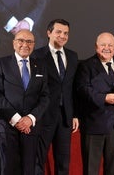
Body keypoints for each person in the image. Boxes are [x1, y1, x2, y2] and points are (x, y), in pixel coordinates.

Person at [0, 29, 50, 175]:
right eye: (21, 41)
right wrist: (17, 120)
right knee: (9, 169)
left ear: (34, 44)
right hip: (6, 126)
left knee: (29, 169)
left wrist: (30, 118)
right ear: (14, 43)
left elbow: (45, 96)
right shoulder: (1, 64)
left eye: (29, 41)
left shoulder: (40, 65)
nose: (25, 44)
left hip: (31, 127)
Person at [75, 32, 114, 175]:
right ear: (96, 47)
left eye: (110, 45)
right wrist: (104, 98)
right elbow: (83, 89)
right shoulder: (86, 66)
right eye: (103, 45)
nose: (107, 48)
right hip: (94, 125)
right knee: (91, 170)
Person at [31, 19, 79, 175]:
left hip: (65, 118)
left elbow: (73, 88)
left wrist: (75, 114)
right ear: (49, 33)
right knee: (38, 161)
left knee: (63, 162)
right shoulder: (37, 55)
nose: (62, 36)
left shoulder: (72, 56)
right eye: (58, 32)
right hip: (43, 117)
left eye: (66, 33)